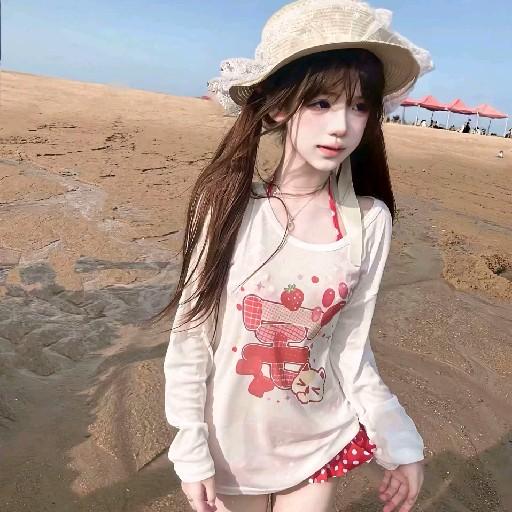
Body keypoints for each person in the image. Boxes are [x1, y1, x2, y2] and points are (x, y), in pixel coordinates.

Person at [160, 1, 432, 511]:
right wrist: (190, 447)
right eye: (322, 102)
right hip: (230, 447)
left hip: (317, 442)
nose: (341, 126)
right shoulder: (227, 205)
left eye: (359, 106)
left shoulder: (369, 221)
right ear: (279, 107)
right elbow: (192, 337)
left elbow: (350, 348)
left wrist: (400, 441)